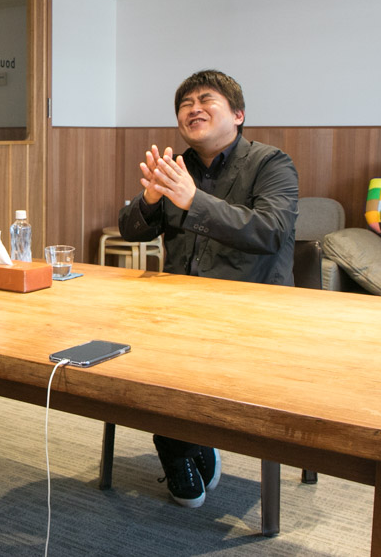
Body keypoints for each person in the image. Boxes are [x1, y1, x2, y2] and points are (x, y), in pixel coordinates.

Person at [117, 69, 298, 508]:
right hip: (179, 309)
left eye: (205, 100)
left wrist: (193, 200)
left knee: (177, 360)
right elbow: (131, 231)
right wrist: (151, 201)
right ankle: (184, 445)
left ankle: (178, 443)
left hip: (255, 312)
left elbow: (270, 231)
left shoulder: (271, 164)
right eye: (185, 104)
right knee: (132, 353)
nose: (193, 109)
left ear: (238, 114)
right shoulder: (177, 167)